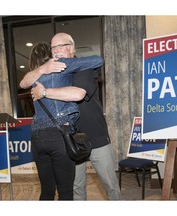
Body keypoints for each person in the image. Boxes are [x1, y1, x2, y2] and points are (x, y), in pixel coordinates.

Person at [32, 32, 121, 200]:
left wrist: (44, 92)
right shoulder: (54, 73)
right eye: (53, 48)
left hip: (96, 137)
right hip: (70, 139)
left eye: (61, 46)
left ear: (71, 47)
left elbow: (78, 94)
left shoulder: (84, 67)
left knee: (110, 185)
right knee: (77, 188)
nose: (56, 51)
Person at [19, 41, 103, 200]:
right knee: (65, 192)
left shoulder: (35, 75)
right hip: (58, 136)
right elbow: (98, 60)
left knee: (46, 191)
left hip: (37, 137)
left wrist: (41, 69)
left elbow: (23, 83)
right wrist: (67, 61)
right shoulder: (60, 64)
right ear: (50, 54)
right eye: (54, 49)